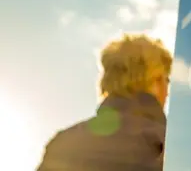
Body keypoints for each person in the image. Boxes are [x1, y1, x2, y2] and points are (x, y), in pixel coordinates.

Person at [37, 34, 172, 171]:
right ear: (155, 80)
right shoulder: (168, 148)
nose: (168, 91)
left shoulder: (63, 144)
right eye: (167, 80)